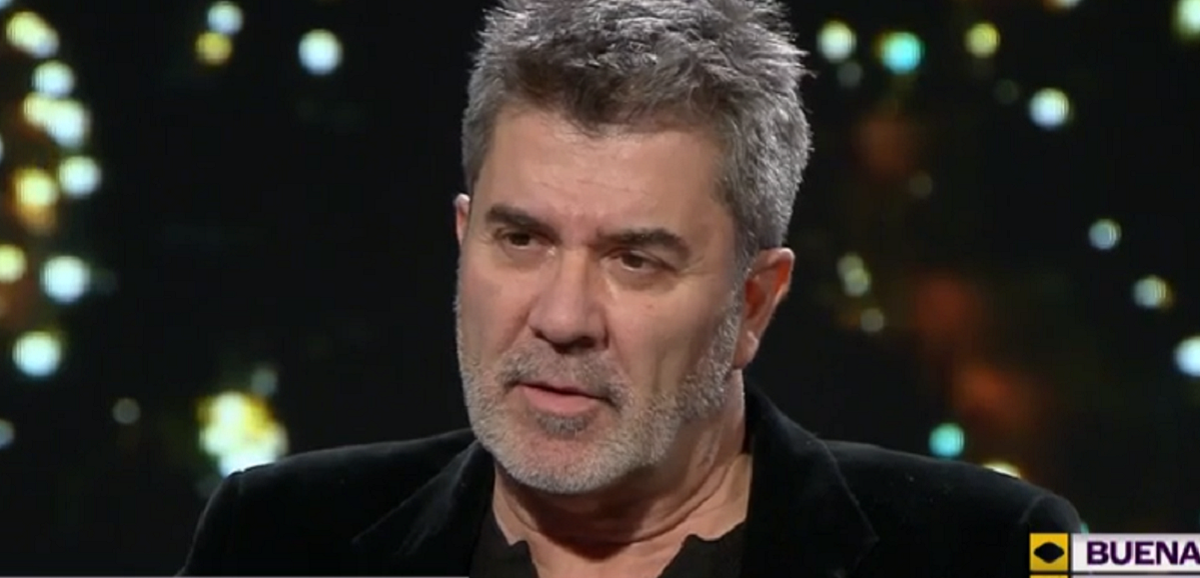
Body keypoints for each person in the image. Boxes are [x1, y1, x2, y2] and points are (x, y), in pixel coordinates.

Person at [178, 0, 1081, 576]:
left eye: (635, 260)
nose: (562, 318)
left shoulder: (996, 551)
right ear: (464, 240)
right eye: (522, 239)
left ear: (754, 303)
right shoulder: (275, 539)